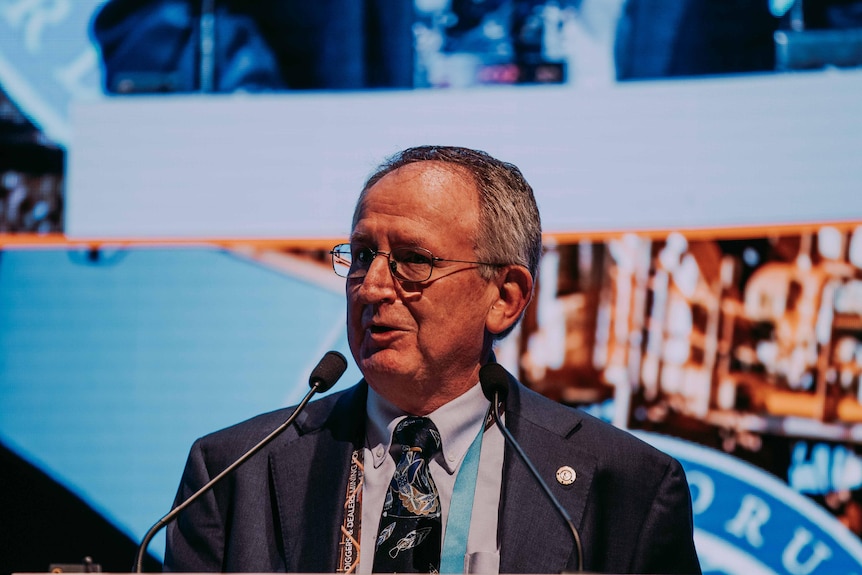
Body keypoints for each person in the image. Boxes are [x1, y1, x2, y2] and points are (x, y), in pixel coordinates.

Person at [164, 145, 701, 574]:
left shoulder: (628, 486)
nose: (372, 286)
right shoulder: (233, 474)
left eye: (413, 261)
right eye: (364, 256)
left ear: (505, 297)